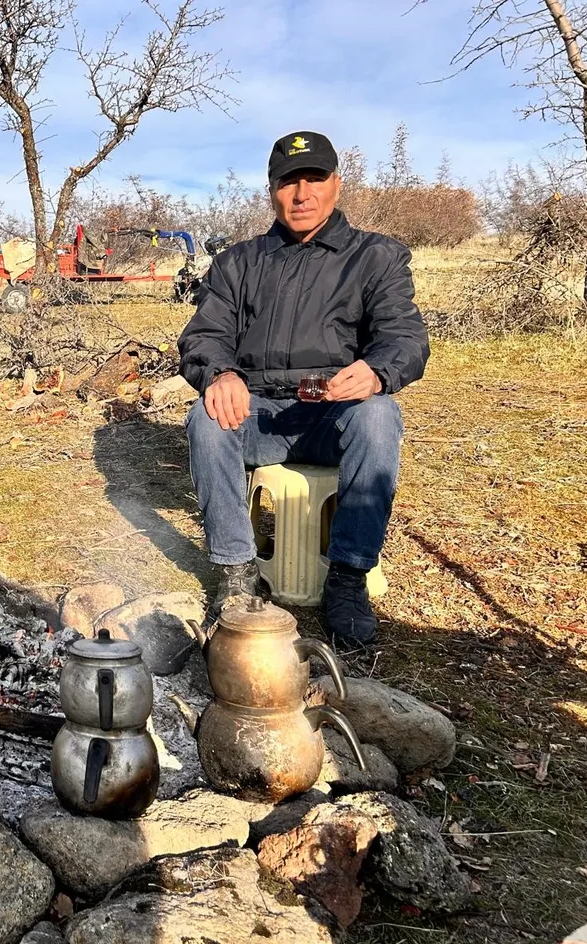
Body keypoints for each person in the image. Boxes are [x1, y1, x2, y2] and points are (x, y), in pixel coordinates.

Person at [178, 131, 430, 647]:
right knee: (206, 416)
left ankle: (347, 576)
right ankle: (237, 574)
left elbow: (404, 338)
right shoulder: (237, 262)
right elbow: (204, 336)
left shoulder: (376, 258)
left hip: (332, 415)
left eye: (314, 179)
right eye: (288, 182)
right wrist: (219, 374)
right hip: (259, 415)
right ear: (271, 189)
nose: (302, 194)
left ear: (336, 184)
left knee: (379, 413)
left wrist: (378, 371)